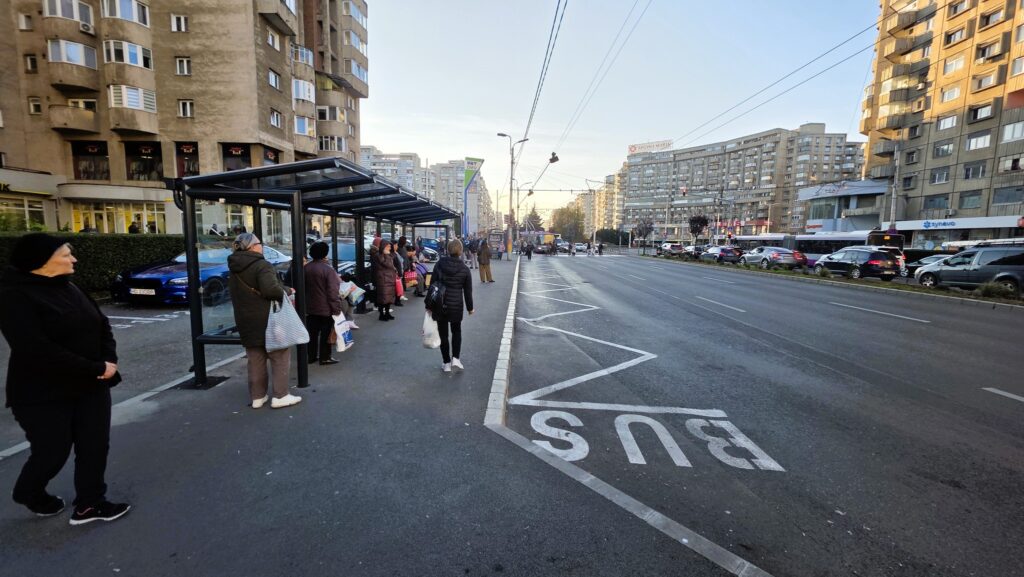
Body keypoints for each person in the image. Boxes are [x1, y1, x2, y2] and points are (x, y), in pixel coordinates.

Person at [0, 233, 130, 524]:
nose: (73, 259)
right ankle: (29, 492)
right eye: (65, 254)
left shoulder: (70, 286)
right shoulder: (14, 296)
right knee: (52, 451)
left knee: (95, 446)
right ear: (41, 263)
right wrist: (95, 367)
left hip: (91, 385)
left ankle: (90, 504)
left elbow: (102, 323)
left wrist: (108, 360)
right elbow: (36, 350)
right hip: (42, 393)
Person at [227, 233, 302, 409]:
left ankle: (257, 397)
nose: (262, 246)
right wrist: (287, 290)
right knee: (280, 355)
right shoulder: (262, 265)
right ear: (252, 247)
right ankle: (281, 396)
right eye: (260, 243)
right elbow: (271, 291)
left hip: (245, 319)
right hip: (268, 319)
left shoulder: (234, 267)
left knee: (255, 358)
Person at [431, 240, 474, 373]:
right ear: (460, 251)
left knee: (443, 334)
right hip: (456, 305)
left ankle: (446, 363)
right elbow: (467, 291)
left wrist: (429, 304)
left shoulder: (439, 265)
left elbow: (432, 284)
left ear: (448, 250)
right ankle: (456, 358)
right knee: (456, 331)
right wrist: (470, 308)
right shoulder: (464, 269)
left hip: (440, 304)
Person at [304, 241, 342, 366]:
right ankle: (325, 357)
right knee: (326, 333)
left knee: (312, 333)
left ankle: (311, 356)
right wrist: (336, 309)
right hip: (326, 308)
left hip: (310, 307)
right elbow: (333, 292)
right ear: (325, 253)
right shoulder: (328, 270)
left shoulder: (306, 268)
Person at [374, 240, 397, 321]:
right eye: (388, 246)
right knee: (382, 298)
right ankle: (381, 314)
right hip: (383, 280)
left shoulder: (388, 254)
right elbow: (388, 264)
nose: (390, 248)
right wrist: (388, 256)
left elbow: (394, 256)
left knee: (389, 297)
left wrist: (391, 252)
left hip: (389, 279)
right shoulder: (379, 255)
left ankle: (387, 313)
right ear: (384, 246)